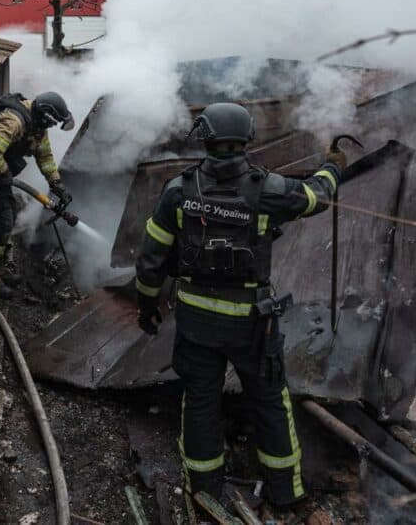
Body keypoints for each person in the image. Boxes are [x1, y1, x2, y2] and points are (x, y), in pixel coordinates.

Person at [134, 102, 345, 509]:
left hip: (196, 322)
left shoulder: (178, 191)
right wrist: (333, 167)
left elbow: (151, 258)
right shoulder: (269, 189)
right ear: (246, 138)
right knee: (269, 400)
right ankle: (285, 494)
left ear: (206, 138)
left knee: (199, 399)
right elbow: (317, 197)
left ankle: (203, 491)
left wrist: (147, 305)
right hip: (253, 324)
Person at [0, 91, 74, 298]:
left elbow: (45, 156)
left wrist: (57, 184)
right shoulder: (12, 120)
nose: (51, 127)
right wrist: (4, 172)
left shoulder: (36, 125)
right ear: (45, 114)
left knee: (10, 214)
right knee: (2, 222)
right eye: (52, 123)